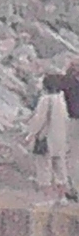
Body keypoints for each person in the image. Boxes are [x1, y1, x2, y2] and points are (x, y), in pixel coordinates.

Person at [28, 73, 72, 204]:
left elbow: (39, 119)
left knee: (44, 167)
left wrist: (31, 134)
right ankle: (62, 196)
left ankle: (48, 197)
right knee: (60, 168)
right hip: (60, 139)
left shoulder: (45, 100)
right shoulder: (62, 99)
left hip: (46, 138)